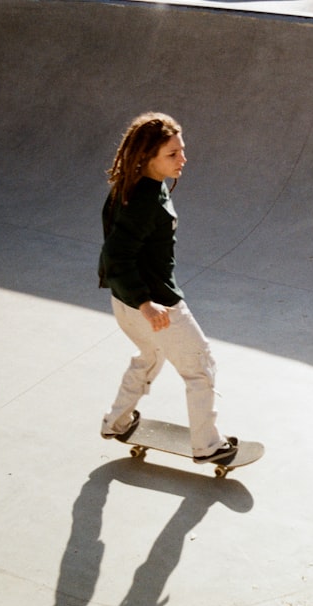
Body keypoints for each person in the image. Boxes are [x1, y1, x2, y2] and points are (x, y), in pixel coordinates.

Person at [98, 112, 238, 464]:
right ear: (147, 156)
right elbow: (115, 255)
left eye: (182, 150)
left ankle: (116, 420)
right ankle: (207, 445)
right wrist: (147, 304)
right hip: (155, 307)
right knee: (200, 367)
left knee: (149, 356)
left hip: (124, 303)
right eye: (172, 154)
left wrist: (136, 301)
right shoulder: (144, 201)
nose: (183, 160)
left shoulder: (130, 186)